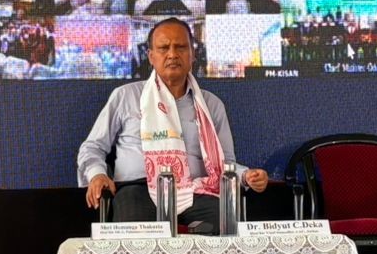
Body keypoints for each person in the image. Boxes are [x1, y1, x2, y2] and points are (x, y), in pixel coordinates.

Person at [79, 18, 268, 233]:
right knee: (134, 229)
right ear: (151, 56)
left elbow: (225, 164)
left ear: (192, 54)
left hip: (195, 191)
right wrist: (97, 174)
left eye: (180, 47)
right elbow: (92, 147)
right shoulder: (126, 96)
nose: (172, 54)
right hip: (138, 190)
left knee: (226, 222)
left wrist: (246, 176)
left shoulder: (211, 105)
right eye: (163, 48)